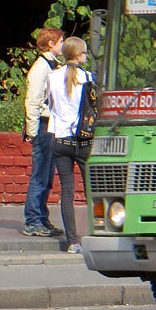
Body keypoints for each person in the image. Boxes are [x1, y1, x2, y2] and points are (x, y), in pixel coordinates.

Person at [45, 36, 93, 254]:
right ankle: (99, 233)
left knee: (67, 192)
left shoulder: (53, 76)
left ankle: (72, 241)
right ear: (79, 54)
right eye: (84, 52)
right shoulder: (87, 77)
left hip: (59, 139)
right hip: (82, 140)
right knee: (93, 189)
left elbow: (50, 104)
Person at [22, 27, 64, 237]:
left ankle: (42, 217)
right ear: (51, 44)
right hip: (43, 125)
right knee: (40, 174)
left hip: (52, 125)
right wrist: (32, 130)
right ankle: (32, 220)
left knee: (48, 175)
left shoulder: (53, 65)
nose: (63, 45)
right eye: (60, 41)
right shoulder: (41, 67)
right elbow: (33, 101)